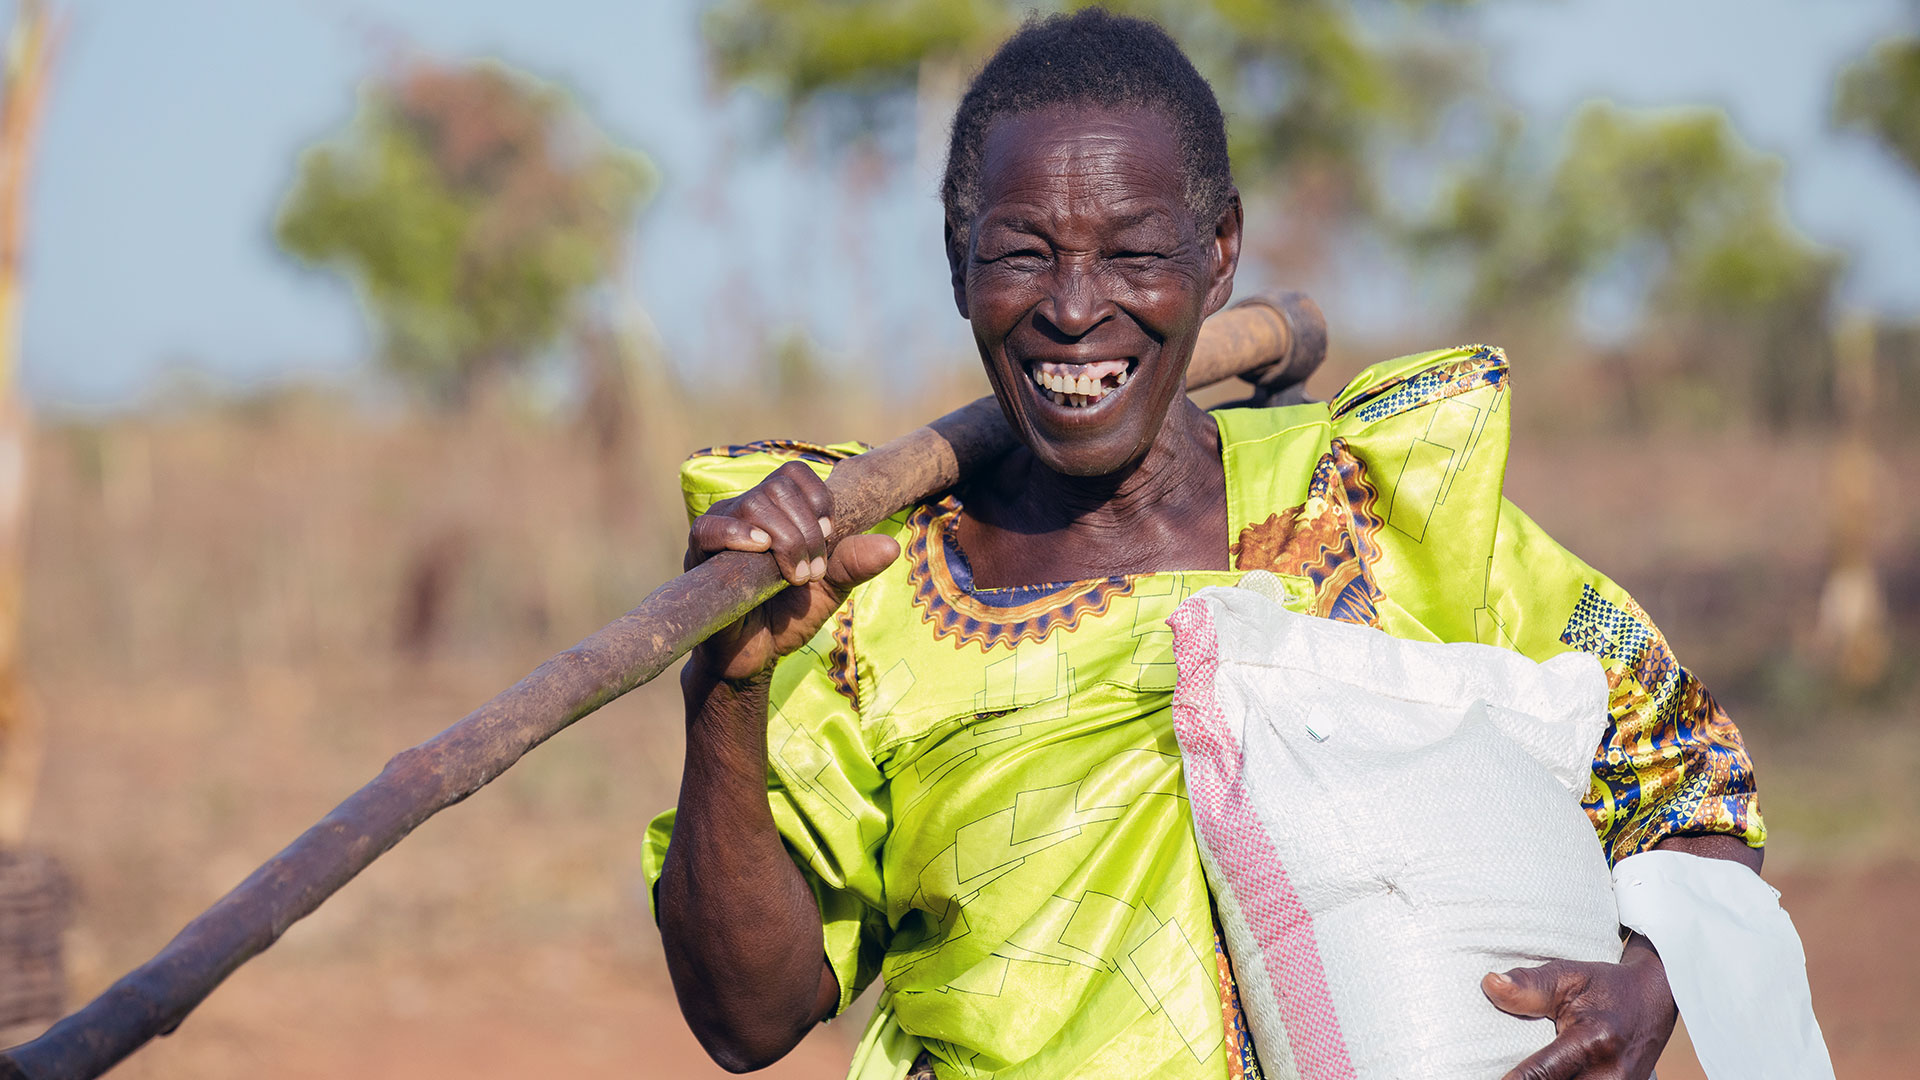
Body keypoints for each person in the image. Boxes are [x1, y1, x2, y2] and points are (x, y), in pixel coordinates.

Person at [645, 10, 1764, 1080]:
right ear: (958, 265)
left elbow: (1694, 778)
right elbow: (748, 1021)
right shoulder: (869, 595)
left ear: (1218, 253)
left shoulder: (1375, 512)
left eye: (1134, 253)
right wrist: (729, 689)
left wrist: (1647, 989)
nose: (1075, 311)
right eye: (1022, 255)